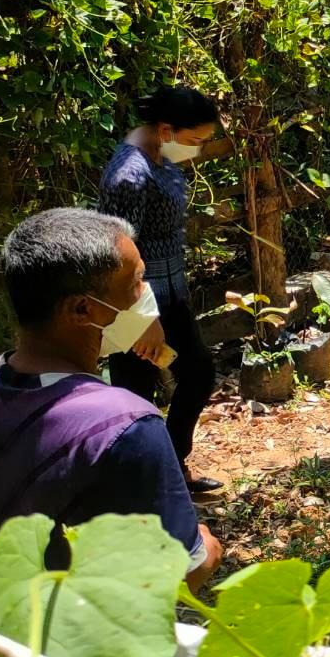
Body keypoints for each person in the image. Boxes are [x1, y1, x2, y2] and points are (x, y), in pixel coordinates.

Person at [0, 209, 222, 590]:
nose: (146, 294)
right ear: (82, 309)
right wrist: (207, 548)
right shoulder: (125, 424)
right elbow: (181, 576)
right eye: (137, 282)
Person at [97, 84, 222, 499]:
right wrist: (141, 318)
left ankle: (170, 466)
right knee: (135, 401)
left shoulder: (161, 157)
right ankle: (137, 494)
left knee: (199, 373)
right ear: (167, 129)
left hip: (173, 294)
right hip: (139, 306)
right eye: (195, 141)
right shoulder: (127, 176)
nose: (198, 150)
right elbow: (117, 254)